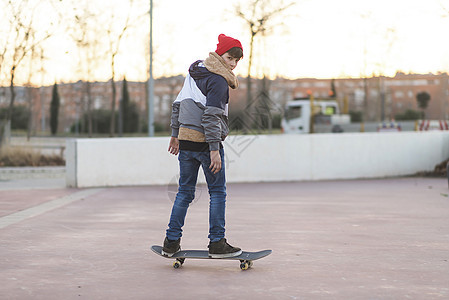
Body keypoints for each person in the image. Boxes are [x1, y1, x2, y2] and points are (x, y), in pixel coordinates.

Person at [162, 34, 243, 258]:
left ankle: (171, 242)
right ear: (220, 55)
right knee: (217, 192)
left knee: (184, 192)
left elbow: (178, 103)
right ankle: (217, 243)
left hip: (186, 142)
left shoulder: (194, 71)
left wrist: (175, 133)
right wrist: (214, 149)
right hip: (207, 144)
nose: (233, 64)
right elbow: (211, 117)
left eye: (237, 60)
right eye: (230, 58)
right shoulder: (218, 80)